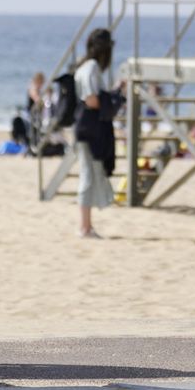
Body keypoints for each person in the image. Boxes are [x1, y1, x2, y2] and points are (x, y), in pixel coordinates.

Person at [72, 28, 119, 240]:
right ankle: (84, 227)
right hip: (89, 127)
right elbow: (91, 99)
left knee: (89, 173)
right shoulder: (91, 68)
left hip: (84, 126)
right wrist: (113, 100)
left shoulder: (84, 66)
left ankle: (87, 226)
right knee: (88, 175)